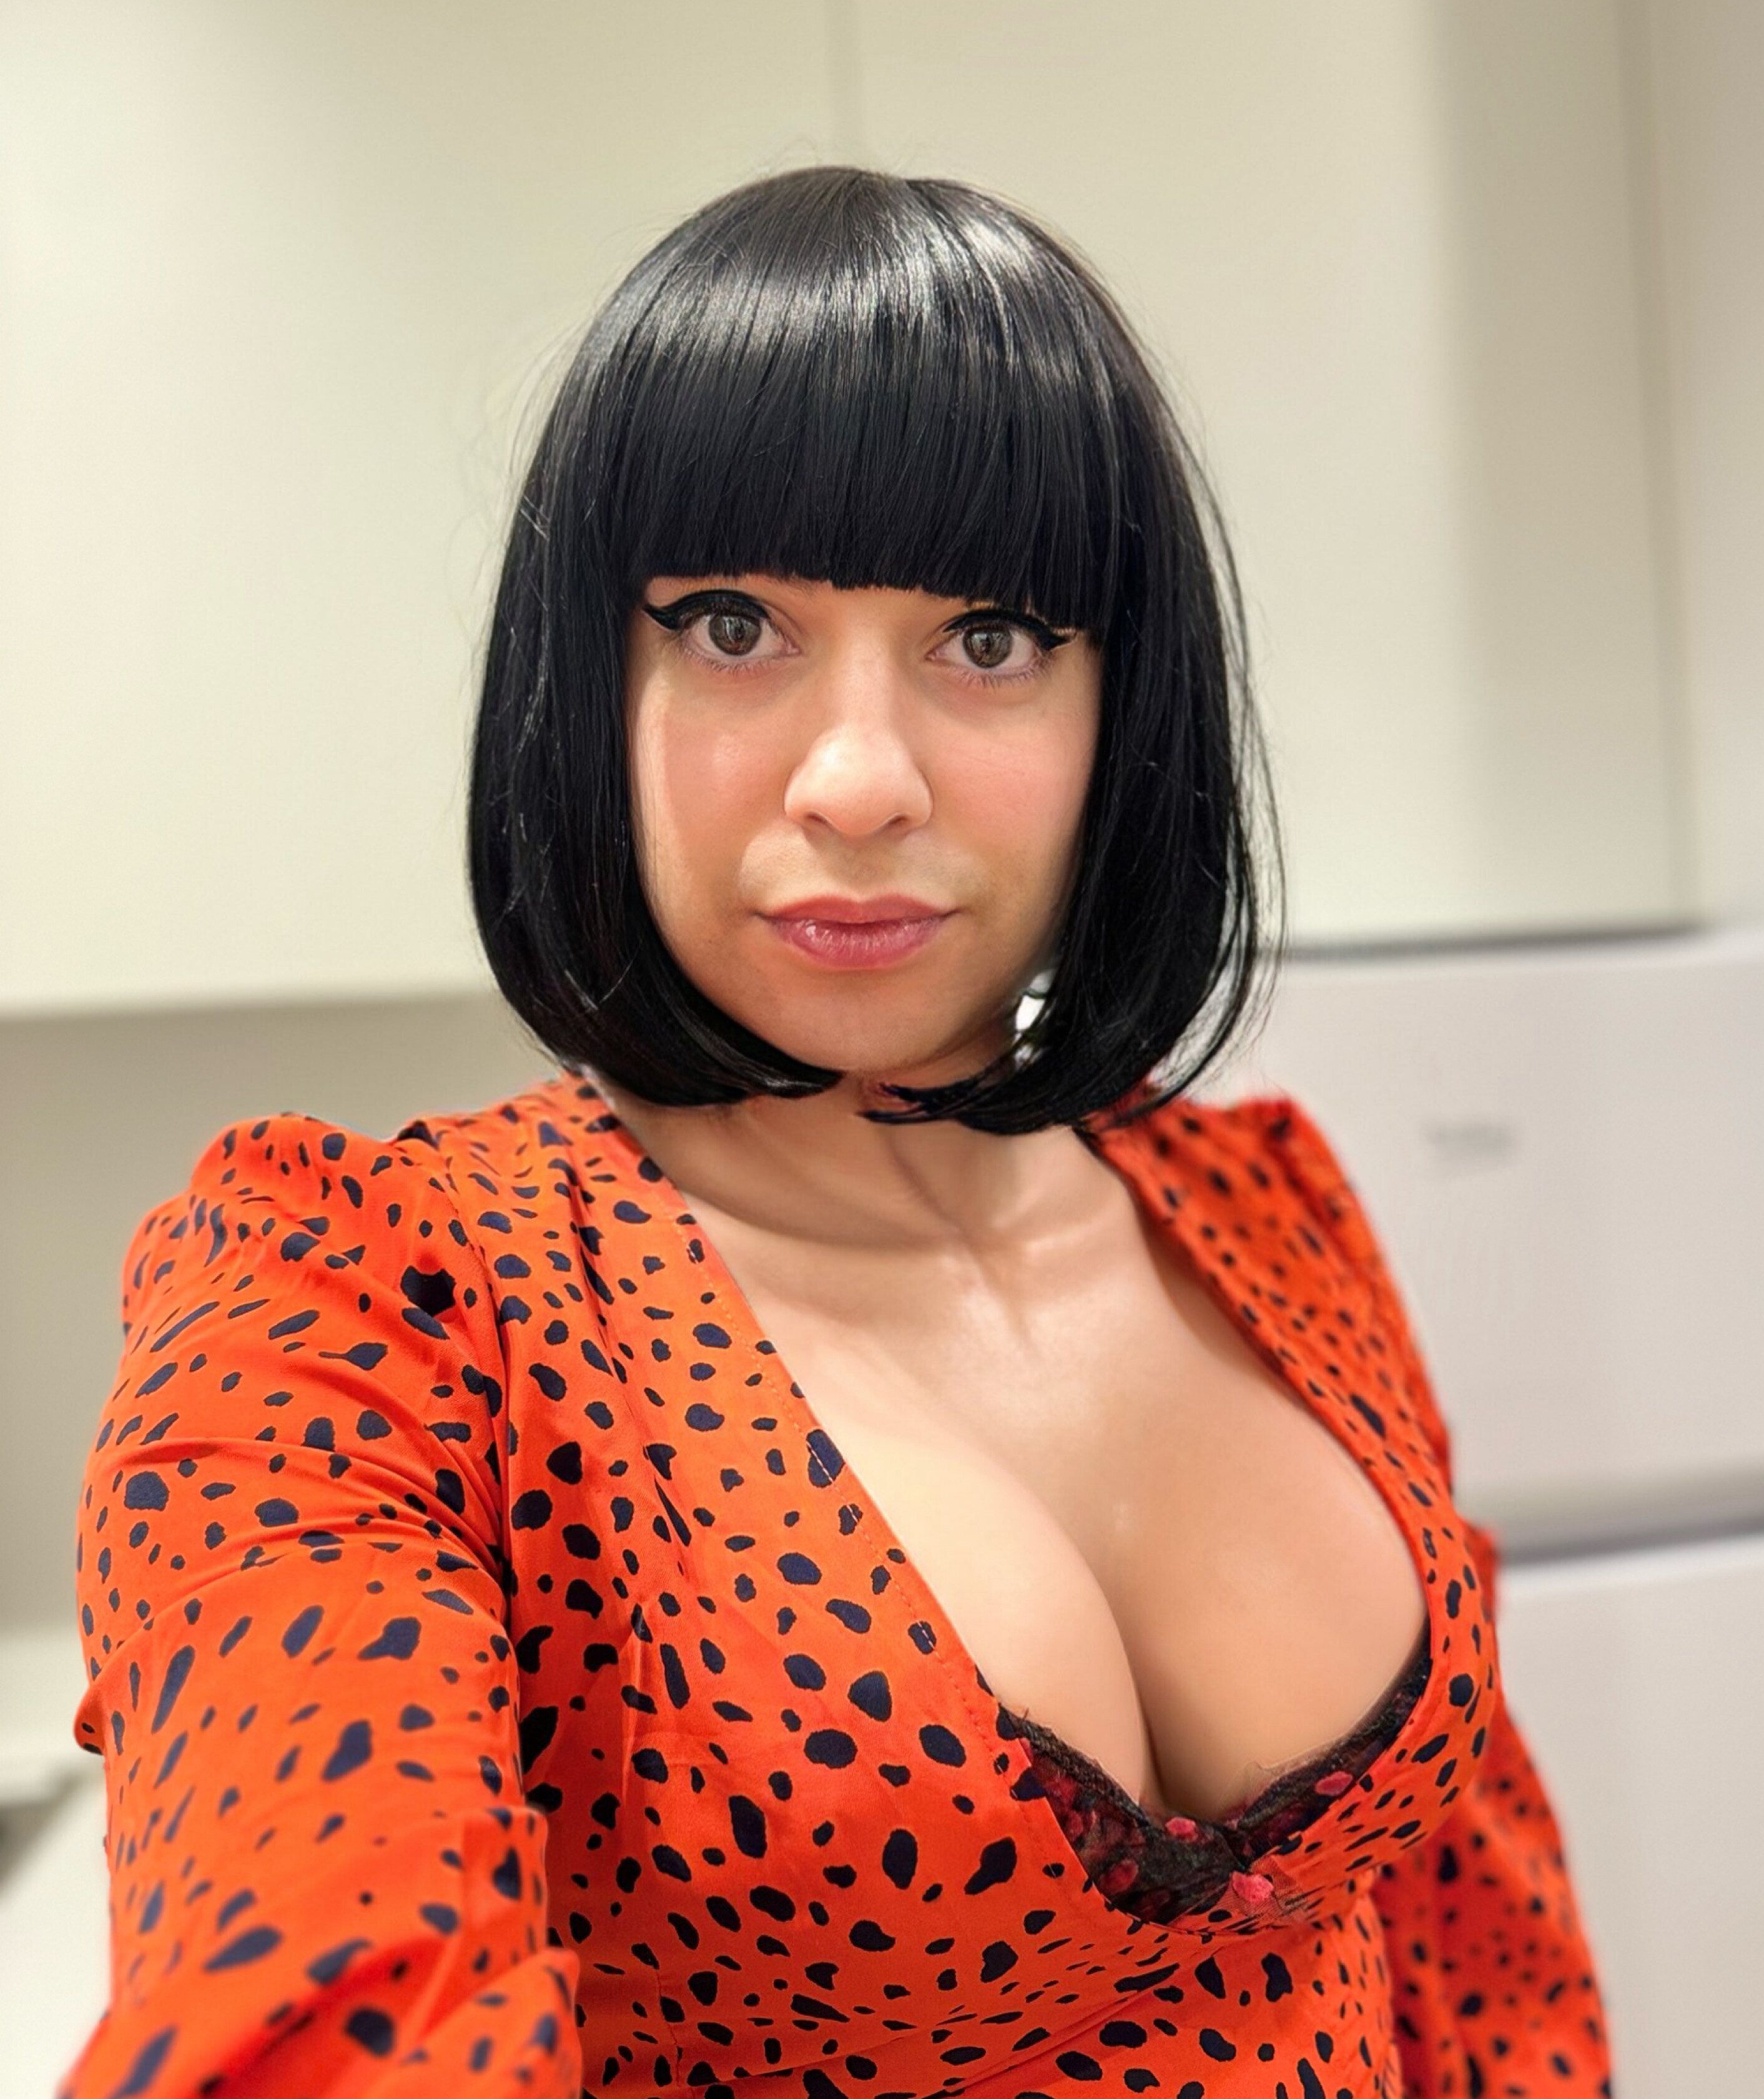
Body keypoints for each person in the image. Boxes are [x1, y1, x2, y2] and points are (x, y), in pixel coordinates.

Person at [63, 168, 1611, 2099]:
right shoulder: (371, 1308)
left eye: (991, 638)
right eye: (734, 625)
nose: (862, 779)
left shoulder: (1268, 1211)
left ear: (1124, 704)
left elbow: (1488, 1975)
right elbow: (321, 2012)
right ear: (589, 682)